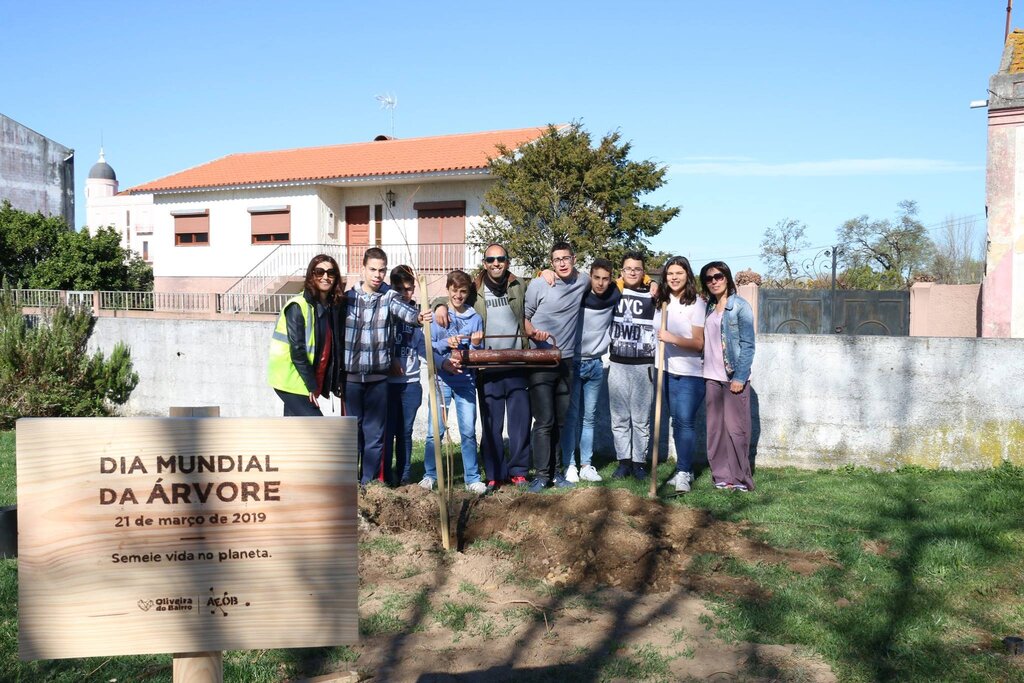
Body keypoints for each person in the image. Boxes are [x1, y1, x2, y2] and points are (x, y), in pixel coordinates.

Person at [434, 243, 532, 490]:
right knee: (491, 423)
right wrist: (439, 306)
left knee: (520, 422)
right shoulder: (475, 288)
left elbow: (539, 289)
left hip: (516, 361)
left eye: (500, 258)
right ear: (484, 263)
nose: (496, 263)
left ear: (507, 261)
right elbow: (450, 296)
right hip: (487, 365)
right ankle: (495, 472)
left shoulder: (519, 285)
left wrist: (548, 272)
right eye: (490, 259)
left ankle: (519, 471)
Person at [344, 247, 430, 486]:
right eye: (373, 269)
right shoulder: (348, 298)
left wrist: (418, 317)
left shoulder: (390, 297)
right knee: (353, 434)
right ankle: (350, 483)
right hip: (351, 379)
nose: (377, 275)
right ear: (363, 269)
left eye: (381, 270)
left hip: (378, 380)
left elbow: (405, 311)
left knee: (374, 436)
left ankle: (368, 484)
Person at [523, 242, 590, 491]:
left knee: (561, 421)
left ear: (574, 259)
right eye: (556, 259)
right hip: (540, 359)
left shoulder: (582, 281)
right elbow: (524, 318)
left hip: (567, 361)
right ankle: (541, 475)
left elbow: (609, 283)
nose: (562, 263)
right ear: (551, 262)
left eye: (566, 258)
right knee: (544, 421)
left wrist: (650, 282)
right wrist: (534, 333)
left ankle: (557, 473)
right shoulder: (540, 284)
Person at [419, 270, 487, 494]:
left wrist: (475, 345)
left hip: (465, 381)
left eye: (463, 292)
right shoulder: (438, 315)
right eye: (454, 291)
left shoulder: (475, 318)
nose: (458, 296)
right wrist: (446, 344)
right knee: (434, 431)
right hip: (441, 381)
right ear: (447, 290)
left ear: (468, 293)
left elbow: (478, 354)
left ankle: (472, 478)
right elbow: (427, 347)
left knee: (468, 431)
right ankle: (430, 475)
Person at [560, 258, 620, 482]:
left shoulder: (615, 294)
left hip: (595, 364)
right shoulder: (580, 294)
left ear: (611, 279)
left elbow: (633, 280)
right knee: (572, 417)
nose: (601, 283)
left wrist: (649, 282)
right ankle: (569, 465)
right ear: (590, 276)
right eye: (596, 278)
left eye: (605, 279)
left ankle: (586, 465)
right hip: (574, 363)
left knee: (589, 417)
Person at [700, 261, 755, 492]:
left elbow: (748, 345)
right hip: (711, 377)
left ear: (727, 278)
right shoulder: (708, 307)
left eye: (718, 276)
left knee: (737, 430)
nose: (714, 281)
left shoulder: (740, 307)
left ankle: (740, 479)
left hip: (733, 377)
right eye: (709, 278)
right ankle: (721, 476)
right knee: (715, 431)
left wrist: (740, 377)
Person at [267, 254, 345, 416]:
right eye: (320, 272)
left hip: (304, 379)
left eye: (331, 273)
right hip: (291, 379)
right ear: (311, 275)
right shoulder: (298, 306)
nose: (325, 277)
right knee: (318, 426)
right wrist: (311, 385)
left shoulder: (329, 307)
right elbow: (298, 351)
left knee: (295, 429)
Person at [653, 256, 706, 494]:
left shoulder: (697, 304)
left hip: (690, 374)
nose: (674, 277)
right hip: (665, 370)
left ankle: (683, 472)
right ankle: (686, 468)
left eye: (679, 273)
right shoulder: (661, 301)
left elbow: (698, 343)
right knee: (676, 420)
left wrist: (671, 338)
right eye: (670, 273)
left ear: (688, 276)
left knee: (685, 421)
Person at [608, 252, 657, 481]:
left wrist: (653, 282)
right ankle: (624, 462)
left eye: (637, 269)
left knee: (640, 419)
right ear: (622, 271)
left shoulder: (653, 294)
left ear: (643, 272)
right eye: (628, 268)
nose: (632, 272)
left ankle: (639, 463)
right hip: (617, 363)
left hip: (643, 364)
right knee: (619, 418)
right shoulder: (613, 291)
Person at [384, 265, 424, 486]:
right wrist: (390, 358)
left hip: (410, 383)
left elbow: (424, 346)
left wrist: (443, 362)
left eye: (408, 289)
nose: (404, 293)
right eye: (399, 289)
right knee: (387, 431)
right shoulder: (385, 312)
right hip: (388, 383)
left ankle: (404, 475)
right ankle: (386, 475)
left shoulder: (418, 317)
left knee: (405, 432)